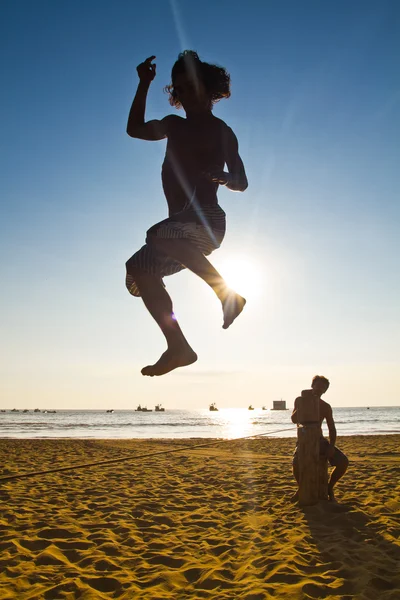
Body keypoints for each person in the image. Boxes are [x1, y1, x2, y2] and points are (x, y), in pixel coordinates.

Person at [125, 51, 248, 377]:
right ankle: (178, 346)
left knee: (156, 235)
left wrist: (226, 178)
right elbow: (135, 129)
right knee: (137, 267)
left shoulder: (222, 132)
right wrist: (143, 84)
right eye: (179, 89)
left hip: (206, 220)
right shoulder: (172, 126)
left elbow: (242, 180)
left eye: (192, 87)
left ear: (209, 90)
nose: (186, 94)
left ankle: (225, 291)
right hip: (179, 230)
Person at [291, 375, 349, 502]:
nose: (319, 388)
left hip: (320, 440)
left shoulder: (325, 406)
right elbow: (294, 420)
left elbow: (331, 428)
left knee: (343, 462)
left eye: (323, 387)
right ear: (312, 385)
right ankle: (301, 488)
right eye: (317, 385)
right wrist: (303, 405)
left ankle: (329, 487)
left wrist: (331, 446)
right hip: (304, 439)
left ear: (325, 390)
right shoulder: (299, 400)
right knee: (296, 463)